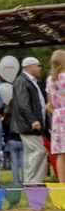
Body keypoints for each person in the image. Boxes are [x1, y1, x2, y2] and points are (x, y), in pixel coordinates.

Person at [11, 56, 48, 186]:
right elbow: (23, 103)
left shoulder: (28, 81)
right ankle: (32, 181)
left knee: (30, 153)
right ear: (30, 66)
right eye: (38, 65)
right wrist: (33, 120)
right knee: (39, 150)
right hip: (28, 124)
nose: (40, 68)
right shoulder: (22, 81)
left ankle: (31, 181)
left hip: (28, 123)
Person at [46, 49, 65, 184]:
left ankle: (63, 186)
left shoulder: (50, 80)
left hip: (58, 117)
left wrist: (57, 113)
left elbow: (49, 104)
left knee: (61, 154)